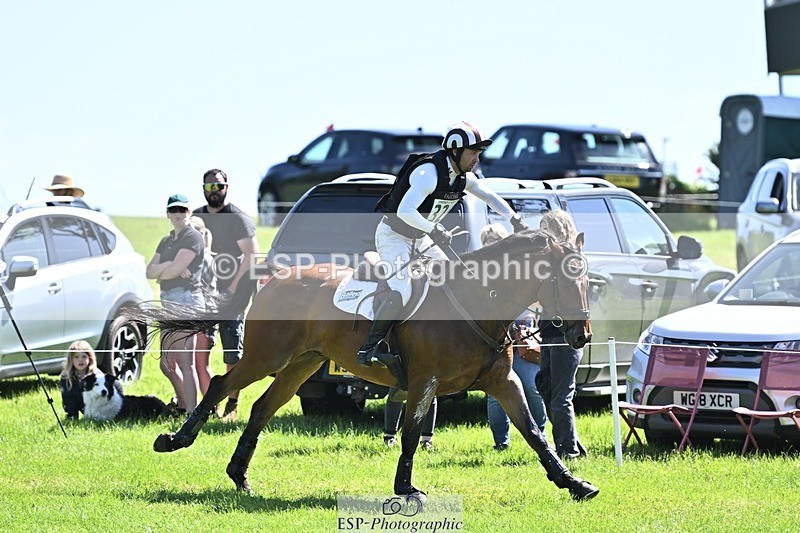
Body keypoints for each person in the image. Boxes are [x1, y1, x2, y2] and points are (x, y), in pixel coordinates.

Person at [357, 122, 530, 367]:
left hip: (421, 236)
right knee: (402, 289)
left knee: (454, 278)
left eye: (478, 154)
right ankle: (370, 348)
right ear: (455, 151)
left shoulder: (462, 178)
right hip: (393, 235)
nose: (476, 160)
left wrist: (515, 219)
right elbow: (405, 210)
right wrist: (435, 228)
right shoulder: (428, 173)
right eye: (472, 153)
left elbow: (489, 196)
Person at [193, 169, 259, 421]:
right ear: (203, 189)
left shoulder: (237, 218)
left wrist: (231, 285)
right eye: (209, 187)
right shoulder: (197, 217)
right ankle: (208, 404)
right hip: (204, 294)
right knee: (202, 347)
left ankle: (232, 403)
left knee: (232, 351)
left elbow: (251, 254)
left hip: (232, 295)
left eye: (218, 186)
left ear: (227, 187)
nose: (214, 191)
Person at [480, 223, 547, 451]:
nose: (490, 244)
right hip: (495, 339)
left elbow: (536, 299)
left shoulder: (519, 269)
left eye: (494, 240)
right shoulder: (479, 271)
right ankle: (501, 443)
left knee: (531, 386)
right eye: (487, 241)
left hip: (521, 336)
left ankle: (541, 435)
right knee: (494, 394)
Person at [536, 210, 588, 460]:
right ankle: (572, 443)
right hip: (549, 328)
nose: (542, 233)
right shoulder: (552, 259)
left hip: (568, 332)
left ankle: (568, 451)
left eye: (546, 228)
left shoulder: (571, 258)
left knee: (560, 394)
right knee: (545, 385)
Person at [146, 194, 205, 414]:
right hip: (169, 302)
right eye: (174, 210)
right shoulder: (166, 240)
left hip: (186, 300)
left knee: (184, 363)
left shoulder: (192, 237)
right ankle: (186, 407)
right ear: (168, 214)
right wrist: (171, 266)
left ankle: (191, 414)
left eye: (182, 210)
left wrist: (166, 269)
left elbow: (164, 271)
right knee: (166, 364)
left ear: (189, 212)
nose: (178, 214)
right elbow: (149, 271)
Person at [189, 215, 218, 400]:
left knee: (200, 364)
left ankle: (210, 407)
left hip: (205, 315)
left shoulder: (204, 257)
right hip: (201, 314)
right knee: (195, 363)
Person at [59, 340, 99, 418]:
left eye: (84, 356)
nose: (80, 360)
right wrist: (72, 414)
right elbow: (68, 398)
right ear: (71, 360)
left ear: (90, 358)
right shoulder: (66, 377)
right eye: (76, 357)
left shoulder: (96, 375)